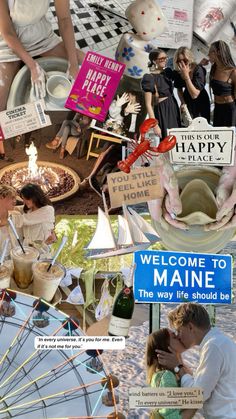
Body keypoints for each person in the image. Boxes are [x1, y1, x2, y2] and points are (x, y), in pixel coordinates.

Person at [0, 0, 85, 159]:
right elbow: (7, 31)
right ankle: (8, 143)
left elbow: (65, 20)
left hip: (40, 36)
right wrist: (33, 66)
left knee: (90, 65)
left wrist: (73, 64)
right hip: (8, 41)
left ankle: (83, 126)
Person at [156, 303, 236, 419]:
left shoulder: (213, 346)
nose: (178, 336)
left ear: (190, 327)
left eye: (179, 331)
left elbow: (197, 396)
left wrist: (177, 367)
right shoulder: (222, 341)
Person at [146, 328, 194, 419]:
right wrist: (198, 400)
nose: (179, 337)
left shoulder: (175, 371)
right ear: (166, 346)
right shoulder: (166, 377)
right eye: (174, 336)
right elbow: (173, 417)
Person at [141, 49, 181, 139]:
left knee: (177, 138)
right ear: (154, 61)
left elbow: (181, 73)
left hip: (173, 107)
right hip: (163, 110)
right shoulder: (149, 77)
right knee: (167, 139)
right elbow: (148, 104)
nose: (165, 60)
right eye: (161, 58)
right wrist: (155, 125)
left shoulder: (168, 72)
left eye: (165, 58)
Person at [173, 47, 210, 123]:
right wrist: (183, 103)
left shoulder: (198, 69)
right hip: (187, 100)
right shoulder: (178, 71)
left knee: (202, 126)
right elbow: (179, 89)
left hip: (200, 100)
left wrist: (186, 76)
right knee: (189, 126)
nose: (182, 63)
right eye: (179, 61)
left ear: (190, 59)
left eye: (185, 60)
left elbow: (195, 94)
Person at [208, 40, 236, 127]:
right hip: (217, 108)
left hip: (229, 109)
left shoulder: (232, 71)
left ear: (219, 52)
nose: (208, 55)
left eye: (210, 52)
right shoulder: (213, 68)